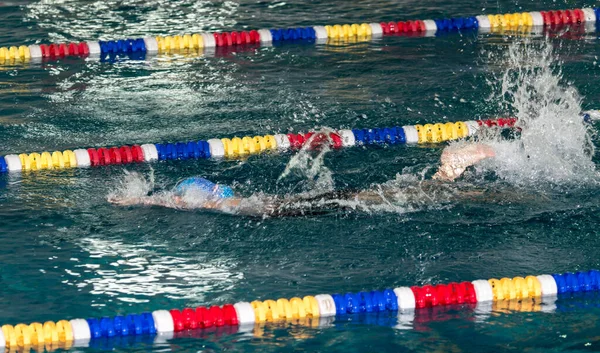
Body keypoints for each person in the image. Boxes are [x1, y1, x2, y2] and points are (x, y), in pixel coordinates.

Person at [108, 142, 497, 217]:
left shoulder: (219, 204)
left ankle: (448, 172)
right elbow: (171, 199)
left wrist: (140, 199)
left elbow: (172, 200)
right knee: (387, 196)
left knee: (387, 199)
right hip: (308, 203)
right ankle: (447, 173)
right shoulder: (226, 199)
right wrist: (143, 198)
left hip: (308, 206)